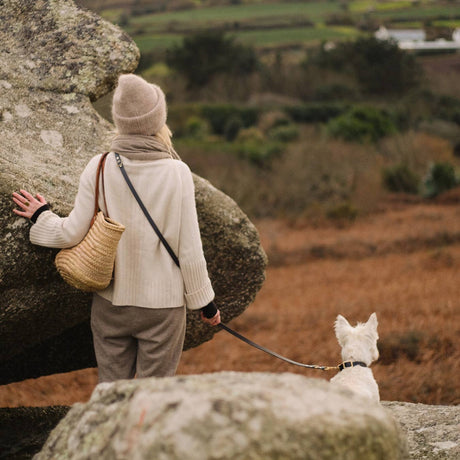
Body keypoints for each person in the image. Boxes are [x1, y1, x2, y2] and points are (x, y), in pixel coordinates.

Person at [12, 74, 221, 383]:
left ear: (120, 122)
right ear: (157, 120)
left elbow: (71, 233)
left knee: (110, 394)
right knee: (152, 397)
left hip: (111, 304)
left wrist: (41, 216)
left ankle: (108, 433)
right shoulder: (177, 173)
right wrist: (206, 303)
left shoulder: (99, 166)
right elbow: (189, 248)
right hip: (162, 310)